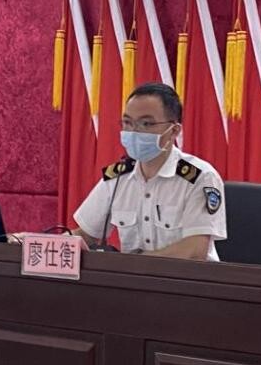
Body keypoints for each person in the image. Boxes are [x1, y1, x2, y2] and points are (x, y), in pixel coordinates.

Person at [73, 82, 226, 261]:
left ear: (173, 131)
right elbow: (86, 234)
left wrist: (133, 263)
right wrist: (52, 246)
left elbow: (194, 250)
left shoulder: (200, 177)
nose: (134, 131)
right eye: (128, 123)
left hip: (187, 277)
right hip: (131, 276)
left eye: (146, 123)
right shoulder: (118, 177)